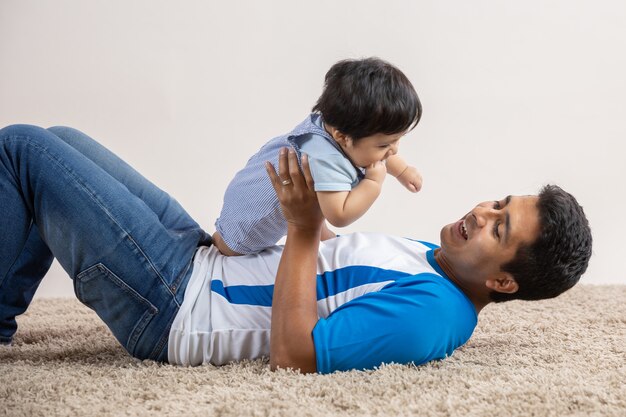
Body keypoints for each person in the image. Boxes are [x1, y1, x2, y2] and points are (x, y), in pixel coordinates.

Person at [0, 125, 592, 374]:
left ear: (505, 282)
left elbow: (293, 355)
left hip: (176, 309)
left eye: (499, 228)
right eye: (497, 203)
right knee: (58, 141)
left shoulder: (435, 314)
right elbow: (332, 270)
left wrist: (303, 229)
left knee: (21, 149)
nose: (482, 212)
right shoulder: (428, 259)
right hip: (202, 261)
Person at [212, 57, 424, 256]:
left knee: (321, 188)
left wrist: (402, 171)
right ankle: (219, 247)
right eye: (385, 144)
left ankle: (319, 233)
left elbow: (377, 155)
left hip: (252, 192)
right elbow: (339, 214)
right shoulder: (324, 158)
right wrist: (372, 183)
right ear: (343, 137)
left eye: (398, 139)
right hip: (245, 232)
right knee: (226, 249)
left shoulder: (335, 125)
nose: (394, 150)